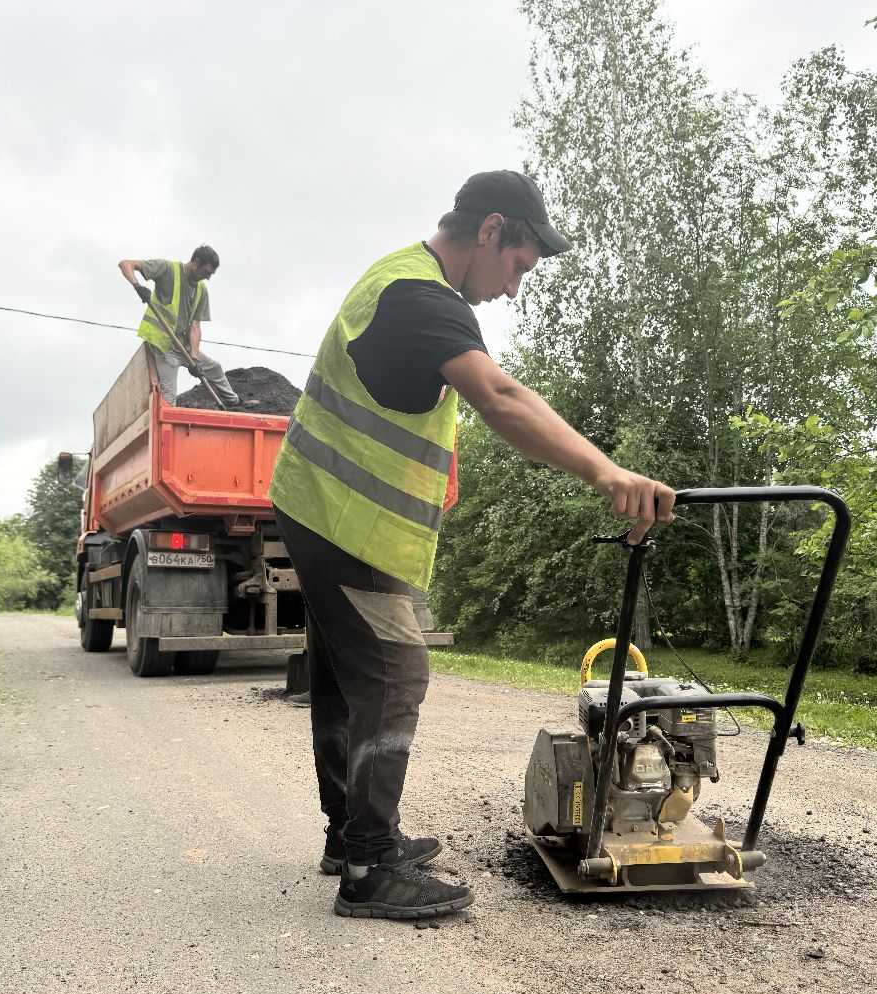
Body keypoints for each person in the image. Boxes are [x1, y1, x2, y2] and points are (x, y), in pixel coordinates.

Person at [267, 169, 677, 921]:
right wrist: (606, 472)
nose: (514, 288)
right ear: (491, 230)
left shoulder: (403, 280)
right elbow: (501, 397)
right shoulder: (421, 299)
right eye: (518, 266)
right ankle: (369, 866)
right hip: (340, 516)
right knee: (394, 673)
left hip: (323, 507)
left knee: (346, 677)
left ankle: (349, 837)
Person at [118, 246, 242, 407]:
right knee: (169, 395)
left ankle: (235, 403)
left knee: (215, 368)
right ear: (196, 262)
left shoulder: (200, 290)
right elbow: (125, 264)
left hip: (183, 344)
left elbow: (195, 326)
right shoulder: (167, 269)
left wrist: (195, 359)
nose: (208, 278)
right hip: (163, 345)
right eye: (207, 272)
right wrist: (137, 286)